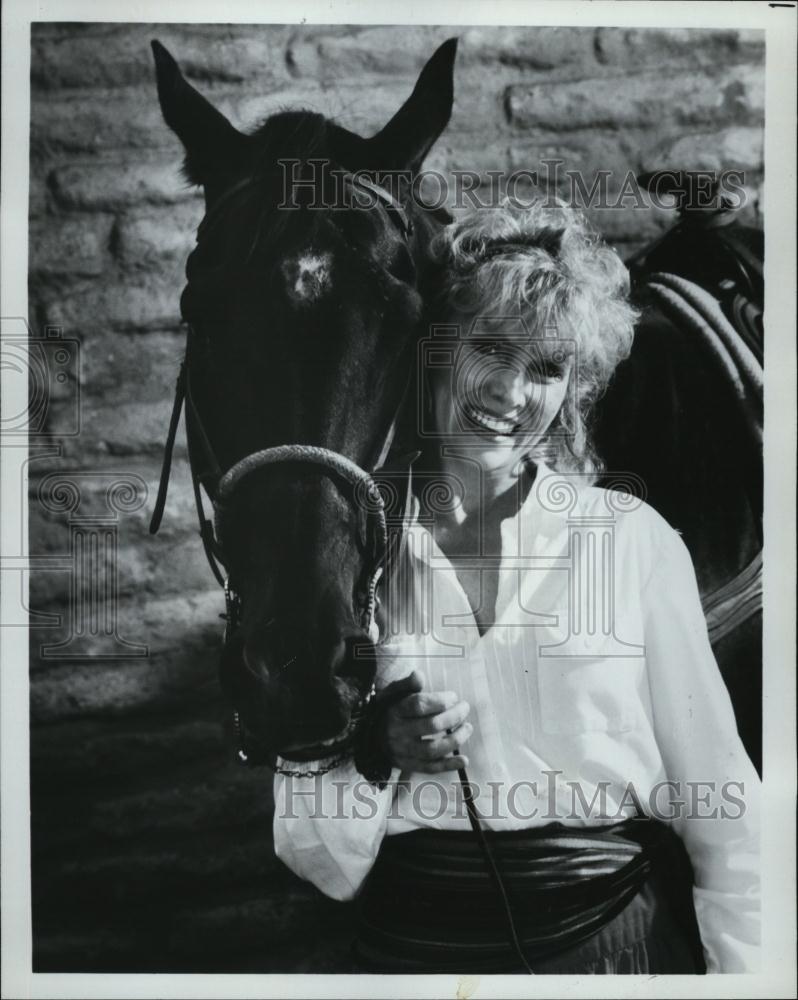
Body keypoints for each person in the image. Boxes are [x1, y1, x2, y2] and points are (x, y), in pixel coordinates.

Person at [272, 198, 760, 974]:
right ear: (435, 348)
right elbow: (318, 864)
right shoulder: (351, 557)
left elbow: (725, 809)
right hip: (418, 960)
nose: (510, 391)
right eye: (490, 348)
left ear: (574, 389)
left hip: (615, 958)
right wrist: (373, 754)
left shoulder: (628, 541)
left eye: (547, 368)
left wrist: (749, 983)